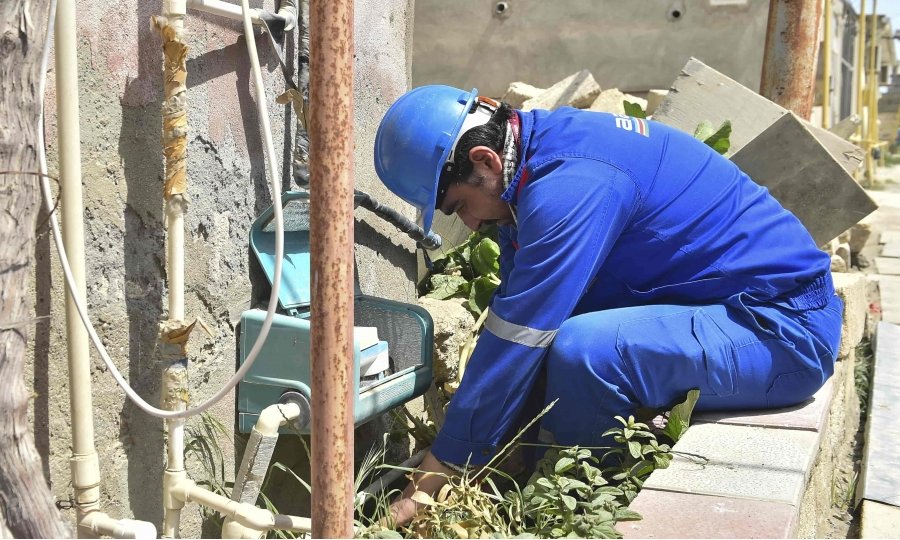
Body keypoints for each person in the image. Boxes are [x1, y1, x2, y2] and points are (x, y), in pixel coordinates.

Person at [373, 85, 843, 525]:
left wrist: (437, 476)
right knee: (569, 344)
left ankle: (567, 511)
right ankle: (542, 481)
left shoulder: (571, 186)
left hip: (781, 330)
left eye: (461, 205)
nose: (471, 224)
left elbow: (520, 338)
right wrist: (491, 445)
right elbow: (519, 324)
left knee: (589, 352)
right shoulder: (540, 162)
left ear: (485, 159)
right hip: (730, 310)